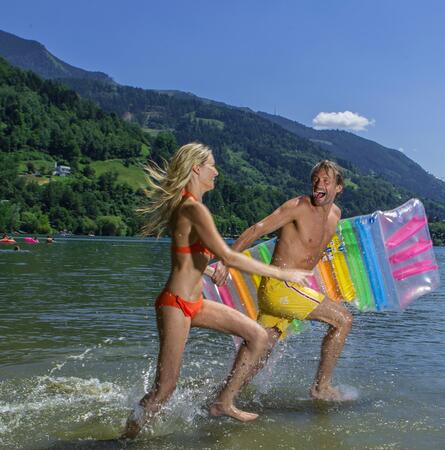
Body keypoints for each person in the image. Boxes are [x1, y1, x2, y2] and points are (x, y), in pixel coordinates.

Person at [122, 143, 312, 439]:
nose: (217, 171)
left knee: (258, 336)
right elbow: (230, 256)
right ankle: (124, 440)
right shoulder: (193, 207)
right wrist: (282, 273)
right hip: (176, 304)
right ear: (197, 168)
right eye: (212, 165)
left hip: (195, 302)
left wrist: (205, 268)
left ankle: (224, 401)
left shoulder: (187, 205)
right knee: (165, 388)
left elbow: (184, 252)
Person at [213, 160, 353, 401]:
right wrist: (226, 261)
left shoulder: (335, 216)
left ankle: (219, 399)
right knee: (343, 320)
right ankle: (321, 388)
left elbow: (312, 251)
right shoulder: (297, 206)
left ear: (338, 188)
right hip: (279, 288)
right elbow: (257, 230)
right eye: (316, 180)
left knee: (259, 353)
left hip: (290, 289)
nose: (319, 185)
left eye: (326, 181)